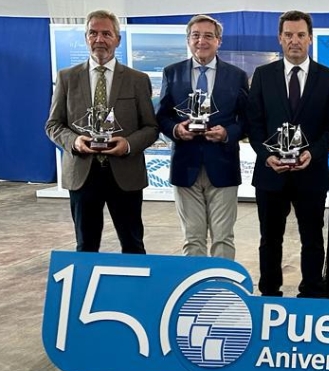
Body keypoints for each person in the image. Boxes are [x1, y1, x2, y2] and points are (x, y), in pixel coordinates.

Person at [246, 10, 329, 297]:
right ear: (280, 38)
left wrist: (312, 154)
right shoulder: (263, 76)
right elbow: (253, 124)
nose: (294, 41)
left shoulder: (327, 78)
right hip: (270, 173)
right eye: (288, 35)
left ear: (310, 39)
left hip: (311, 174)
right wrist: (267, 155)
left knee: (313, 239)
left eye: (300, 35)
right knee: (269, 240)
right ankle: (268, 293)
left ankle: (312, 295)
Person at [45, 9, 158, 254]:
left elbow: (151, 128)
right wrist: (75, 142)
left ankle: (134, 292)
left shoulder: (137, 79)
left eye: (106, 33)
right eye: (93, 33)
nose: (99, 39)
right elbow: (53, 125)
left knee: (133, 245)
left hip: (125, 174)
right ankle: (86, 292)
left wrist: (127, 144)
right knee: (85, 246)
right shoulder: (67, 78)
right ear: (86, 37)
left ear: (117, 39)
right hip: (82, 174)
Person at [157, 15, 249, 260]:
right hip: (185, 166)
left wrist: (227, 133)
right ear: (188, 40)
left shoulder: (237, 76)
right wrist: (177, 130)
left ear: (219, 41)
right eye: (196, 35)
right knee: (192, 238)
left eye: (208, 35)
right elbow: (162, 117)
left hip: (223, 165)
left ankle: (222, 292)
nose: (201, 41)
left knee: (223, 237)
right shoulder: (172, 73)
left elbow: (247, 120)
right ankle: (196, 294)